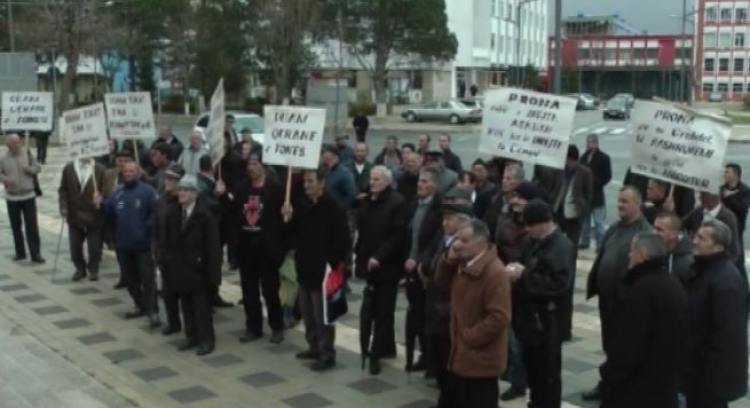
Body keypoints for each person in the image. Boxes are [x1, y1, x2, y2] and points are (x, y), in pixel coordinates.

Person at [601, 232, 688, 408]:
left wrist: (609, 375)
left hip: (639, 387)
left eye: (632, 251)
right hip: (665, 382)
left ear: (641, 255)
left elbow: (629, 344)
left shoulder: (642, 290)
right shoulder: (672, 283)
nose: (629, 255)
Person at [583, 186, 652, 401]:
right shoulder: (614, 228)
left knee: (623, 348)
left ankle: (618, 388)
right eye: (619, 201)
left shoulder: (644, 233)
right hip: (608, 300)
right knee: (609, 344)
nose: (620, 205)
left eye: (625, 201)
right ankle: (608, 382)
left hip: (626, 303)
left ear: (638, 204)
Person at [434, 219, 510, 408]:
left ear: (480, 242)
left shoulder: (494, 272)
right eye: (457, 239)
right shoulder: (463, 263)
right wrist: (448, 260)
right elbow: (440, 283)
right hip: (460, 355)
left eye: (464, 240)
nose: (457, 244)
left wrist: (470, 336)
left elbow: (499, 317)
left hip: (480, 361)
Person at [508, 199, 572, 407]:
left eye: (530, 224)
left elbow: (557, 284)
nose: (527, 229)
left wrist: (523, 274)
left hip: (548, 322)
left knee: (548, 375)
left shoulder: (561, 246)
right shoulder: (531, 241)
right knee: (533, 371)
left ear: (544, 223)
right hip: (529, 320)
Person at [286, 167, 351, 371]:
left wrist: (329, 264)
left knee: (323, 315)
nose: (306, 185)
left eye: (311, 181)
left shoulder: (334, 208)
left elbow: (343, 242)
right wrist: (286, 217)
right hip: (304, 268)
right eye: (305, 181)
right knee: (307, 313)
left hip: (323, 272)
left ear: (322, 183)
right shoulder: (303, 205)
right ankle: (313, 346)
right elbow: (292, 232)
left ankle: (326, 353)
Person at [683, 219, 749, 408]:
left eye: (702, 238)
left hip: (710, 380)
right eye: (696, 236)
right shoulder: (701, 269)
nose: (694, 241)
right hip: (696, 371)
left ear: (718, 247)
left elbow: (726, 339)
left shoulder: (726, 281)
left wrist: (711, 382)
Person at [356, 165, 408, 375]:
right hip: (369, 264)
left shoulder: (397, 202)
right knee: (370, 310)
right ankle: (386, 347)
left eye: (377, 179)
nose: (372, 182)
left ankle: (376, 354)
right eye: (371, 179)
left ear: (387, 181)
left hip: (387, 267)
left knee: (384, 312)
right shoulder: (368, 201)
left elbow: (397, 236)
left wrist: (379, 256)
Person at [96, 162, 160, 328]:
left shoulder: (148, 192)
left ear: (138, 172)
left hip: (144, 246)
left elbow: (156, 213)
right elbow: (108, 212)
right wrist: (100, 203)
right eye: (126, 171)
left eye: (132, 171)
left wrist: (147, 229)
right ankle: (139, 305)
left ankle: (153, 310)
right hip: (123, 245)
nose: (128, 173)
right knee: (130, 279)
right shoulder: (117, 193)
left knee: (148, 279)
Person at [163, 175, 222, 356]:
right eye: (180, 189)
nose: (181, 193)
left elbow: (213, 247)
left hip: (199, 270)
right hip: (180, 268)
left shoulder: (204, 215)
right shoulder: (174, 213)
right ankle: (191, 336)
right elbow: (168, 241)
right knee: (186, 305)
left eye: (186, 190)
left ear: (195, 193)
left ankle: (206, 340)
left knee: (201, 307)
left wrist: (214, 276)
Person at [232, 153, 286, 344]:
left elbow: (283, 221)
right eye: (249, 164)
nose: (251, 167)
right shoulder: (241, 188)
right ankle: (253, 327)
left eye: (255, 164)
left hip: (267, 247)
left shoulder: (275, 189)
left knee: (270, 290)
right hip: (247, 246)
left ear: (262, 166)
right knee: (249, 291)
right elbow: (233, 215)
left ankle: (277, 326)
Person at [425, 205, 473, 407]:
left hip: (449, 314)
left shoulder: (465, 248)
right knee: (439, 363)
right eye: (444, 218)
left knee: (449, 365)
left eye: (450, 219)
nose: (445, 223)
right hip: (435, 310)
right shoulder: (442, 239)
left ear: (463, 222)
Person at [404, 167, 443, 372]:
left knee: (429, 318)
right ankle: (424, 355)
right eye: (420, 180)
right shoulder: (415, 204)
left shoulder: (438, 209)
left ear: (434, 185)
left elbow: (436, 243)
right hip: (411, 270)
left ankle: (433, 360)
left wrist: (420, 261)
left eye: (426, 181)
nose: (420, 184)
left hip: (427, 272)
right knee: (417, 317)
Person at [58, 157, 106, 281]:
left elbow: (106, 191)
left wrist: (101, 199)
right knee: (75, 246)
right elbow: (63, 189)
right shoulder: (69, 168)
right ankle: (80, 268)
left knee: (95, 247)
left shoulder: (100, 169)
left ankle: (93, 268)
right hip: (74, 213)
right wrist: (63, 207)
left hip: (94, 214)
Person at [0, 134, 44, 263]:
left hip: (28, 195)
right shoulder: (3, 158)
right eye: (13, 143)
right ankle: (20, 253)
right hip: (12, 197)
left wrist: (28, 169)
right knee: (15, 226)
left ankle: (36, 254)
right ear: (8, 145)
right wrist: (6, 180)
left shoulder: (27, 155)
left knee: (32, 226)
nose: (16, 145)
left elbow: (38, 168)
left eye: (18, 142)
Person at [153, 164, 186, 336]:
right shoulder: (161, 200)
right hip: (164, 253)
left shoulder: (184, 202)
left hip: (181, 255)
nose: (168, 181)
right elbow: (156, 226)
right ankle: (173, 322)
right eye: (167, 178)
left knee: (185, 293)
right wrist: (157, 249)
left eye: (172, 179)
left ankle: (191, 325)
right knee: (168, 292)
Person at [682, 192, 742, 271]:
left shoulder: (728, 218)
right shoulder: (698, 211)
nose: (700, 197)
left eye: (704, 194)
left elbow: (733, 251)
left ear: (715, 196)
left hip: (716, 266)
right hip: (697, 262)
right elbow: (681, 225)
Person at [579, 134, 612, 250]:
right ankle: (585, 241)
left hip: (597, 195)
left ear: (596, 143)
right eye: (587, 142)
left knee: (598, 223)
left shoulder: (604, 158)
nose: (587, 144)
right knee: (585, 223)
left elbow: (607, 176)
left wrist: (596, 183)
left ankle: (600, 245)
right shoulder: (583, 157)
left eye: (590, 142)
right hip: (585, 196)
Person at [484, 163, 524, 240]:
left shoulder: (521, 204)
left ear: (519, 182)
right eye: (503, 178)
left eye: (509, 179)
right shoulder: (495, 198)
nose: (504, 181)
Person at [653, 212, 694, 285]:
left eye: (659, 230)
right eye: (654, 228)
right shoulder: (655, 249)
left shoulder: (687, 262)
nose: (654, 233)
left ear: (674, 235)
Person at [320, 144, 356, 210]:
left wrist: (339, 209)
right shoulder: (324, 171)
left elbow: (351, 195)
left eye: (323, 152)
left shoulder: (345, 173)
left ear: (333, 155)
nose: (321, 155)